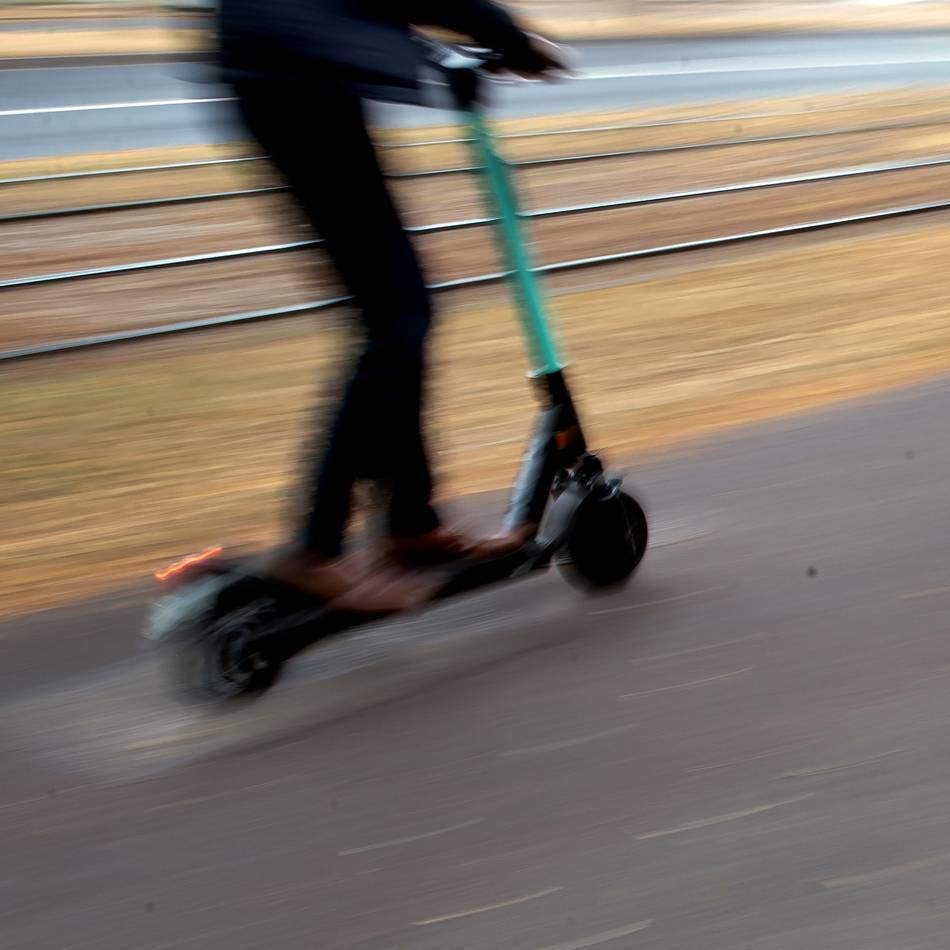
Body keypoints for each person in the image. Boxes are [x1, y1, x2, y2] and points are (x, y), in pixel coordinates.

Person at [218, 0, 569, 612]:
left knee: (398, 316)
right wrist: (509, 38)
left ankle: (410, 522)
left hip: (290, 67)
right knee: (397, 321)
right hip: (296, 77)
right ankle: (316, 548)